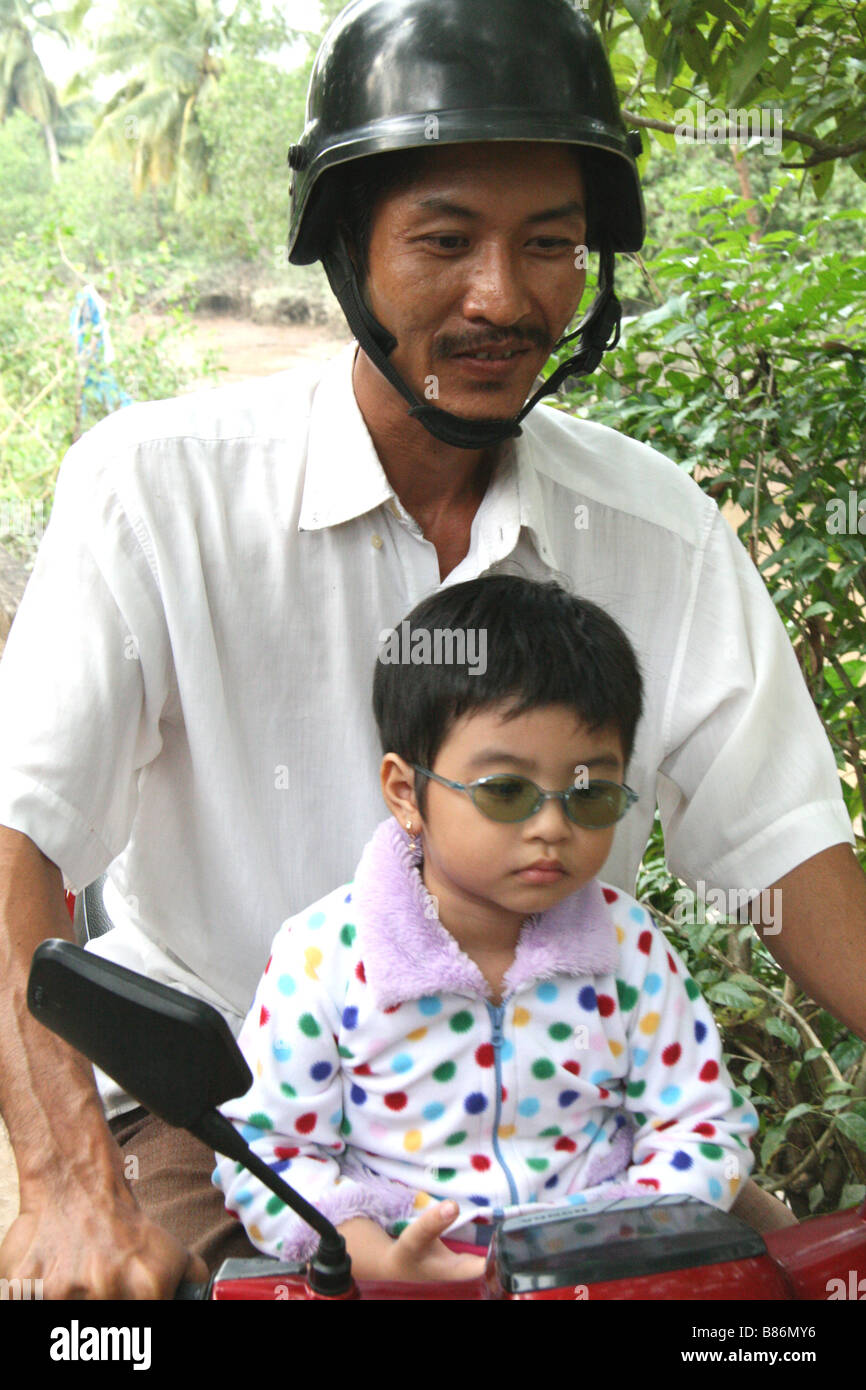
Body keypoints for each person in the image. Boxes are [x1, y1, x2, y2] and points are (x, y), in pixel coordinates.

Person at [0, 0, 864, 1299]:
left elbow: (785, 859)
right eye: (443, 241)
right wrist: (66, 1185)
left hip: (576, 1135)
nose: (501, 298)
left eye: (551, 245)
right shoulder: (155, 493)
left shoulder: (658, 533)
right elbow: (17, 850)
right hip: (241, 1114)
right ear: (348, 248)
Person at [214, 575, 759, 1282]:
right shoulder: (325, 958)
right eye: (507, 790)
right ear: (406, 793)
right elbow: (265, 1149)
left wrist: (627, 1236)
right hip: (393, 1280)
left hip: (600, 1276)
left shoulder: (630, 952)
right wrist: (361, 1248)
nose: (553, 827)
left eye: (589, 793)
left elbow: (704, 1126)